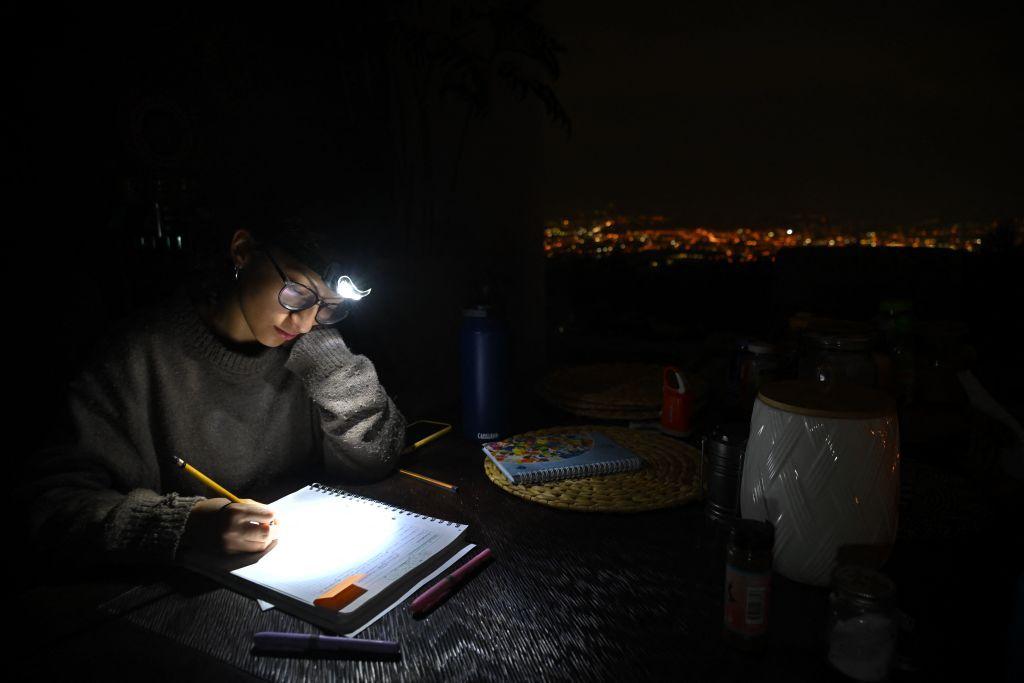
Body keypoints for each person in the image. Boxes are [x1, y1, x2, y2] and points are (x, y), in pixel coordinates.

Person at [20, 216, 407, 570]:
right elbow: (49, 506)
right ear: (242, 252)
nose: (307, 322)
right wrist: (185, 526)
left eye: (329, 307)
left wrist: (332, 359)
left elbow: (375, 458)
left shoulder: (314, 350)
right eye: (297, 294)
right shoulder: (139, 357)